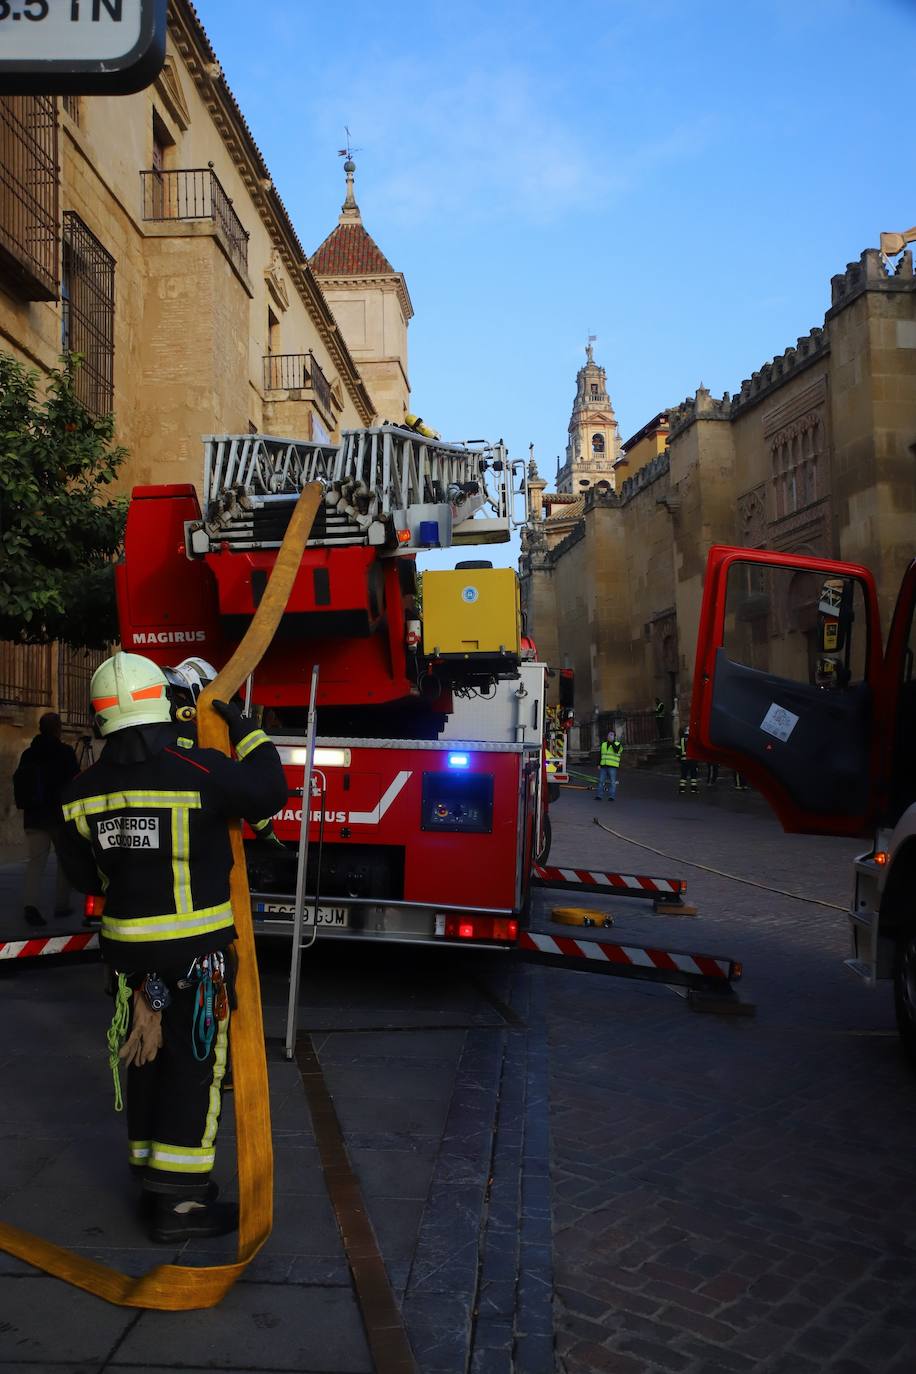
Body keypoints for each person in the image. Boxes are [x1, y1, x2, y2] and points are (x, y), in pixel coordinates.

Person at [57, 651, 287, 1243]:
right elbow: (269, 793)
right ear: (162, 701)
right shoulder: (199, 771)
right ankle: (179, 1204)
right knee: (193, 1066)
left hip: (128, 957)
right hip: (195, 953)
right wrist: (246, 727)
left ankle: (151, 1172)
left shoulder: (79, 794)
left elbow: (83, 878)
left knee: (145, 1056)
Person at [13, 711, 80, 927]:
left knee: (35, 863)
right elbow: (75, 783)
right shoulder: (65, 753)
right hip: (58, 817)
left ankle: (30, 905)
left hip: (34, 816)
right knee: (64, 860)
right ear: (58, 729)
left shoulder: (28, 754)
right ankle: (61, 904)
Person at [596, 729, 623, 801]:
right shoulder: (603, 744)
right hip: (603, 766)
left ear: (614, 737)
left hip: (612, 766)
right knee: (601, 781)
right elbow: (600, 755)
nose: (610, 736)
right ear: (607, 736)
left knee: (612, 782)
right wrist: (598, 764)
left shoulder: (618, 744)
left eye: (612, 735)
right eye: (609, 735)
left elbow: (616, 750)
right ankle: (599, 795)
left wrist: (612, 742)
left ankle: (611, 796)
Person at [678, 726, 699, 796]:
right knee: (693, 776)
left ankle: (682, 789)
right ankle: (693, 789)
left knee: (683, 776)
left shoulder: (681, 740)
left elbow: (678, 750)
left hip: (684, 761)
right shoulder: (694, 740)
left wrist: (679, 758)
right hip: (692, 760)